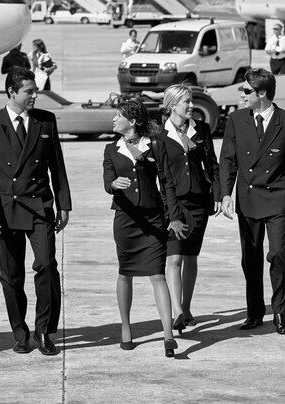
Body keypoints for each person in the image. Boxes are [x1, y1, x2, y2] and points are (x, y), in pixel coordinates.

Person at [0, 66, 71, 356]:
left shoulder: (46, 120)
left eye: (34, 90)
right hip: (5, 210)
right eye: (28, 91)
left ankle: (44, 331)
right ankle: (20, 332)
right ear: (11, 92)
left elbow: (57, 165)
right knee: (11, 276)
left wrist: (64, 204)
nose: (34, 96)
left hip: (40, 205)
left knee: (47, 266)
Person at [219, 68, 285, 335]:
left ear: (263, 94)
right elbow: (228, 160)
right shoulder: (236, 120)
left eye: (246, 91)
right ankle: (255, 312)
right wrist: (225, 194)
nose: (241, 95)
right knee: (251, 258)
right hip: (247, 198)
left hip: (276, 197)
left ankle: (280, 312)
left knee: (279, 252)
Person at [103, 100, 182, 357]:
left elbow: (167, 182)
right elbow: (107, 180)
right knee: (125, 273)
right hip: (126, 221)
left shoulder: (156, 145)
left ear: (133, 121)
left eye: (119, 116)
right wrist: (114, 183)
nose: (114, 119)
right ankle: (126, 328)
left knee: (157, 274)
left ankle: (168, 335)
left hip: (153, 219)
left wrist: (174, 216)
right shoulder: (110, 149)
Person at [157, 84, 221, 334]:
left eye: (191, 100)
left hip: (197, 201)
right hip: (172, 203)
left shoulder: (202, 129)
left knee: (191, 256)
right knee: (174, 257)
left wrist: (217, 194)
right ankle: (177, 312)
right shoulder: (159, 134)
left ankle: (186, 305)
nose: (192, 105)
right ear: (173, 105)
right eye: (187, 101)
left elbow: (212, 165)